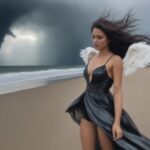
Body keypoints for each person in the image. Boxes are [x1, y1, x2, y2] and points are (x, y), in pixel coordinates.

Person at [65, 10, 150, 150]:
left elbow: (117, 91)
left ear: (108, 39)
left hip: (104, 109)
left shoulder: (115, 61)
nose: (95, 41)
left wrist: (116, 122)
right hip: (86, 105)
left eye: (99, 37)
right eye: (93, 37)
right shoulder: (91, 57)